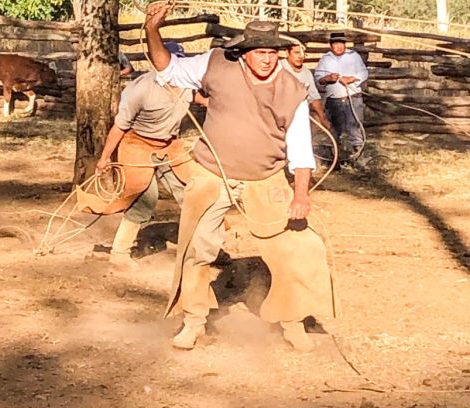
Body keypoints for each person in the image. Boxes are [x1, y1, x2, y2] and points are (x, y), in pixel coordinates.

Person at [144, 5, 333, 351]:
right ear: (244, 53)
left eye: (272, 52)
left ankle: (293, 322)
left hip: (266, 176)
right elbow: (166, 67)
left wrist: (301, 195)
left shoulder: (293, 91)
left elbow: (301, 149)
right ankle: (194, 321)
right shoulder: (216, 63)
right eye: (260, 52)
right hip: (211, 172)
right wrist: (152, 31)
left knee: (295, 247)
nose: (267, 59)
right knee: (198, 247)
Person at [94, 43, 193, 268]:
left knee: (193, 192)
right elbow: (120, 126)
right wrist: (105, 157)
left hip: (169, 145)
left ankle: (206, 249)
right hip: (137, 143)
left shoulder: (188, 84)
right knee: (144, 197)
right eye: (168, 59)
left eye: (178, 60)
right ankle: (119, 252)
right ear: (156, 61)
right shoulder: (139, 89)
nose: (173, 65)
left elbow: (201, 98)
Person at [314, 32, 368, 163]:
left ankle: (358, 158)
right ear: (331, 45)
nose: (339, 46)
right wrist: (327, 78)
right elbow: (317, 79)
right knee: (334, 130)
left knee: (354, 128)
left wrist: (352, 78)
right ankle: (334, 159)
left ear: (345, 44)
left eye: (341, 43)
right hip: (334, 100)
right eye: (335, 44)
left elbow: (364, 72)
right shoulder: (325, 59)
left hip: (353, 97)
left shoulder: (353, 56)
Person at [280, 42, 332, 132]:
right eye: (296, 53)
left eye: (303, 53)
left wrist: (322, 118)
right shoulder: (279, 67)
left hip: (299, 114)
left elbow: (314, 97)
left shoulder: (306, 72)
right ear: (287, 53)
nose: (301, 56)